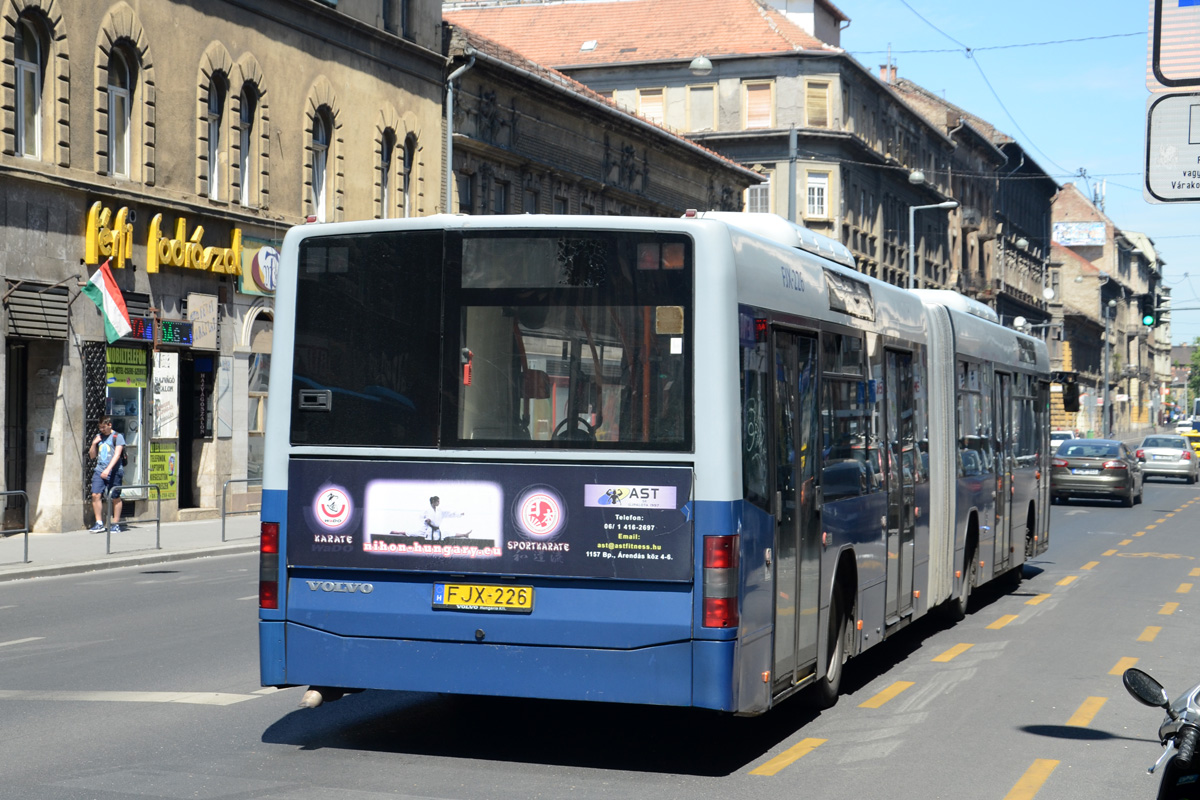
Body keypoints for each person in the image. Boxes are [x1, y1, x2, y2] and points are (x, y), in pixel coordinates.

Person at [88, 416, 125, 532]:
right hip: (99, 469)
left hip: (114, 471)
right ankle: (99, 523)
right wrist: (94, 444)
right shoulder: (99, 437)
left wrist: (108, 469)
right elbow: (92, 456)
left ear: (110, 425)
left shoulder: (117, 437)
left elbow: (117, 455)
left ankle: (116, 523)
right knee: (95, 494)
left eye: (104, 427)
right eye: (100, 428)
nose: (102, 430)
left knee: (115, 497)